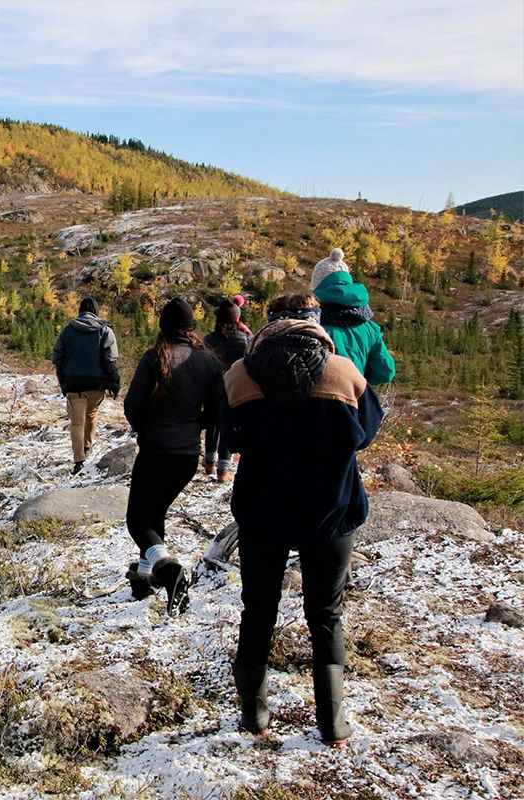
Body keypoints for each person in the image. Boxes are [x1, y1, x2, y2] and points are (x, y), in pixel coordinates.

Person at [223, 292, 383, 747]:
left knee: (258, 611)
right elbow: (366, 434)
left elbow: (230, 437)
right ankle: (332, 723)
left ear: (269, 323)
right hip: (331, 511)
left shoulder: (239, 376)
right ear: (316, 323)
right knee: (326, 614)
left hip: (261, 513)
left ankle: (254, 716)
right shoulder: (344, 373)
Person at [122, 298, 223, 615]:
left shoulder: (153, 359)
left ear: (163, 328)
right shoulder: (209, 363)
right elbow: (219, 412)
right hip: (186, 456)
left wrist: (147, 428)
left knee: (138, 521)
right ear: (193, 329)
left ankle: (168, 571)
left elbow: (132, 407)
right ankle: (143, 579)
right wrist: (194, 425)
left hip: (155, 451)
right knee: (155, 515)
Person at [52, 297, 121, 474]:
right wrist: (114, 382)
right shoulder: (105, 331)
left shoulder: (67, 331)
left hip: (74, 384)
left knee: (76, 423)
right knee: (91, 414)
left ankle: (79, 460)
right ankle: (88, 446)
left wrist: (63, 381)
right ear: (96, 311)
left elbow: (57, 357)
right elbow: (110, 360)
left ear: (80, 311)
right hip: (97, 384)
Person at [313, 268, 396, 385]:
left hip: (316, 399)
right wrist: (359, 383)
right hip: (355, 398)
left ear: (318, 286)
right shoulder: (370, 328)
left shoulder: (311, 323)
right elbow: (386, 372)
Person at [203, 300, 251, 481]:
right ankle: (223, 470)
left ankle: (209, 462)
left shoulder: (208, 339)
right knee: (228, 425)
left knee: (212, 423)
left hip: (212, 386)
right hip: (234, 386)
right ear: (237, 318)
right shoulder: (243, 339)